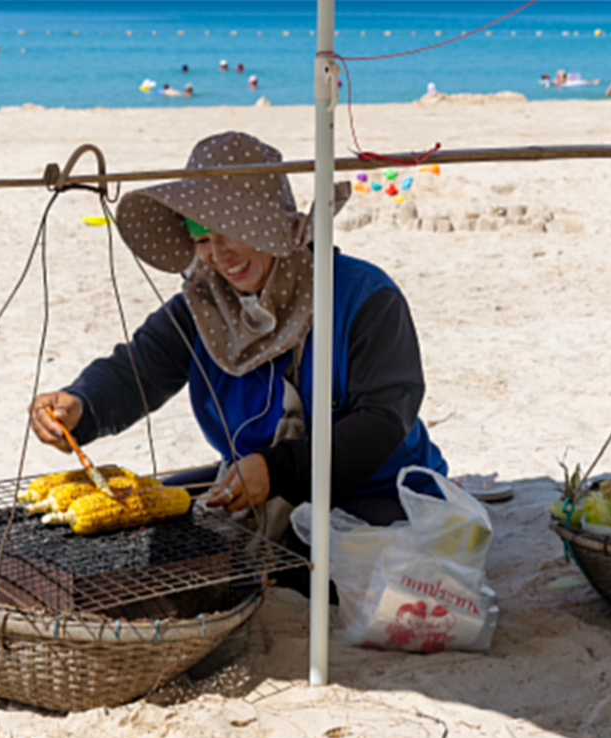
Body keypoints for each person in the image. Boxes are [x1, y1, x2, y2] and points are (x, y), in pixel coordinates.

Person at [29, 132, 447, 584]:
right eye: (202, 238)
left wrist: (277, 468)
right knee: (139, 525)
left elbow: (382, 420)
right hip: (252, 484)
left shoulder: (366, 298)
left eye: (231, 233)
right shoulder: (205, 304)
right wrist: (81, 403)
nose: (218, 254)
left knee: (312, 576)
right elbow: (137, 371)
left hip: (374, 488)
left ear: (270, 225)